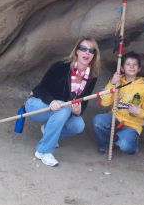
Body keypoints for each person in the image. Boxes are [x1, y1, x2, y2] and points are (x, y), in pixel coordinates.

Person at [24, 37, 101, 167]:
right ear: (77, 51)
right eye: (83, 49)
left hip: (60, 111)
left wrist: (78, 111)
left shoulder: (92, 77)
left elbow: (84, 101)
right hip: (37, 105)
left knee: (78, 125)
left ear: (94, 55)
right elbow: (40, 89)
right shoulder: (61, 66)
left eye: (91, 50)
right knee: (64, 107)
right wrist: (52, 101)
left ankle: (48, 129)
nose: (87, 53)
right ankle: (43, 151)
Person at [92, 51, 144, 154]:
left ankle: (130, 144)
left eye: (135, 65)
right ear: (122, 68)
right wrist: (112, 83)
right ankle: (106, 144)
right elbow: (105, 103)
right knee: (98, 120)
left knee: (125, 145)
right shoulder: (117, 82)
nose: (131, 67)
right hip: (115, 118)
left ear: (139, 68)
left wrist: (139, 111)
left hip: (132, 125)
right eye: (128, 64)